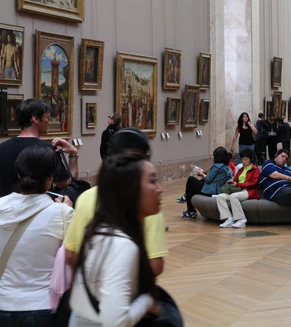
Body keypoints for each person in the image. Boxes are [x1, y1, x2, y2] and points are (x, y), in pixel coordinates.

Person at [68, 152, 163, 326]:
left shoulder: (104, 231)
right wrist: (147, 301)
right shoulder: (121, 245)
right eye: (152, 181)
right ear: (131, 191)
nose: (160, 188)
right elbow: (116, 322)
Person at [64, 128, 168, 277]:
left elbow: (71, 254)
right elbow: (155, 265)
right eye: (152, 180)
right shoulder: (147, 202)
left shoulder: (86, 198)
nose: (159, 189)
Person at [0, 146, 74, 327]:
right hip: (43, 307)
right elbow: (74, 256)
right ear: (50, 179)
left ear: (19, 174)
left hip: (3, 303)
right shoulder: (63, 213)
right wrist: (69, 210)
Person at [0, 99, 79, 198]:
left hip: (6, 210)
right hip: (40, 211)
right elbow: (66, 185)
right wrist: (73, 154)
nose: (48, 122)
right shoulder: (48, 150)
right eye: (47, 117)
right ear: (35, 119)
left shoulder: (2, 148)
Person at [181, 147, 232, 219]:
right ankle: (186, 198)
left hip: (211, 191)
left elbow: (208, 180)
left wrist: (201, 174)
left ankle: (190, 210)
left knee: (191, 181)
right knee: (196, 184)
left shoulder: (216, 167)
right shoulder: (227, 167)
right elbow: (215, 179)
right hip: (218, 189)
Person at [217, 148, 259, 228]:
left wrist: (238, 184)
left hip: (249, 191)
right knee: (220, 197)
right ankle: (228, 218)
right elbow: (235, 180)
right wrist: (232, 184)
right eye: (242, 159)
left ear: (251, 159)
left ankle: (241, 219)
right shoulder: (241, 169)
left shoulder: (255, 170)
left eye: (246, 159)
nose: (243, 161)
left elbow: (253, 183)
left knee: (233, 196)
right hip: (238, 190)